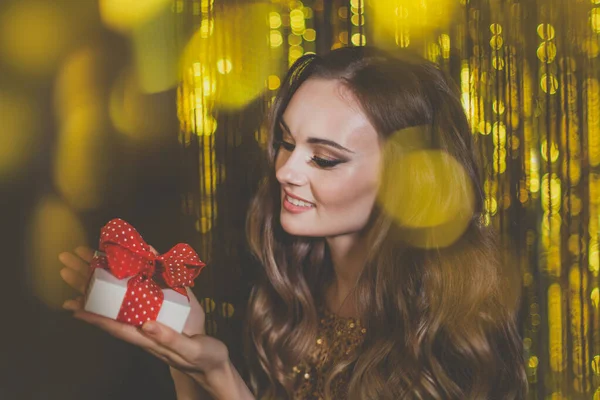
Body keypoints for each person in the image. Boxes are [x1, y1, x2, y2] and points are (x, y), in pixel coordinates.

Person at [60, 46, 528, 399]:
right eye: (287, 142)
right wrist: (188, 354)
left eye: (323, 159)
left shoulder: (451, 328)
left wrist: (221, 375)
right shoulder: (283, 287)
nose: (285, 171)